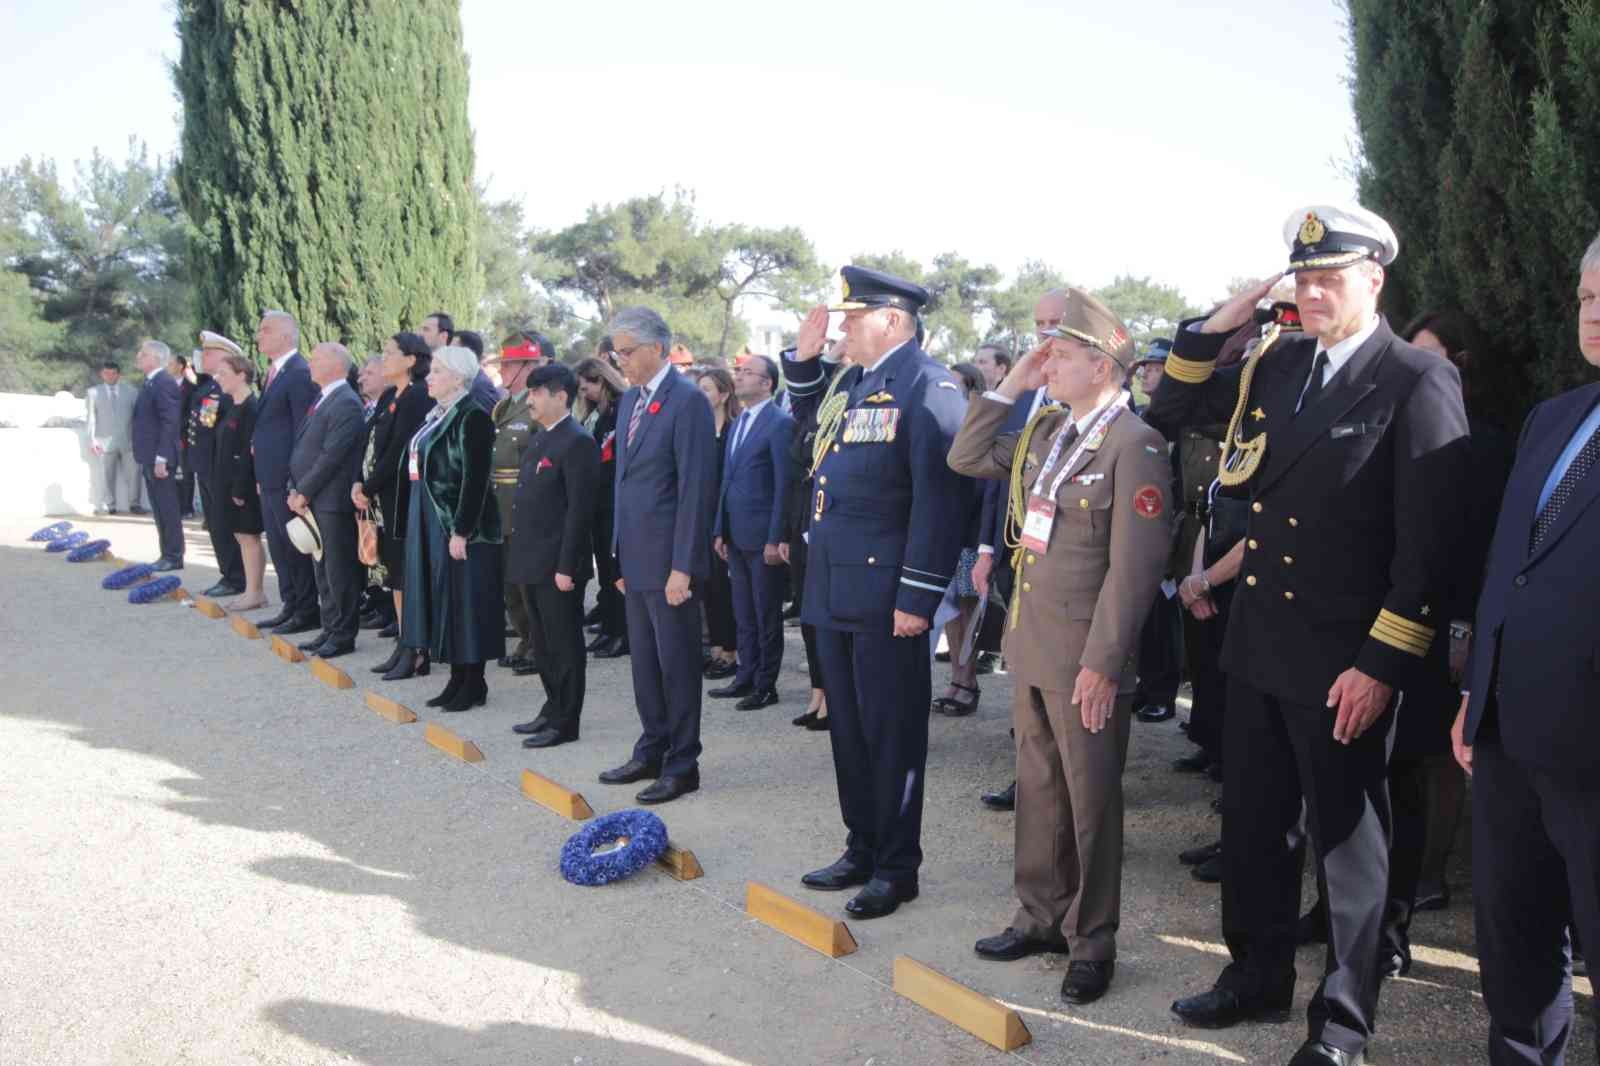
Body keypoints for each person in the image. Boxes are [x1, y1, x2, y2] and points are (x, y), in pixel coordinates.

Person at [1154, 205, 1469, 1066]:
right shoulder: (1281, 362)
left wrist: (1382, 664)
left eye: (1332, 276)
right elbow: (1170, 405)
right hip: (1257, 648)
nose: (1314, 291)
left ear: (1376, 279)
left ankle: (1340, 1027)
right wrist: (1220, 324)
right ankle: (1253, 976)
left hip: (1344, 662)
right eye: (1303, 277)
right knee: (1254, 829)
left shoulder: (1413, 379)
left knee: (1347, 850)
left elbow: (1428, 550)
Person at [950, 290, 1171, 1005]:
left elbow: (1134, 570)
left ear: (1105, 367)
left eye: (1063, 355)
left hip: (1086, 657)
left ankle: (1093, 938)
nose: (1049, 363)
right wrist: (1012, 382)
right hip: (1035, 644)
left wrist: (1105, 664)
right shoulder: (1049, 432)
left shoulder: (1134, 444)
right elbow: (968, 453)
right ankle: (1039, 915)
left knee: (1090, 803)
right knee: (1040, 792)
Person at [1449, 234, 1600, 1066]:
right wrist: (1478, 696)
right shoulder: (1556, 419)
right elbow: (1509, 565)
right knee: (1514, 947)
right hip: (1509, 740)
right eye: (1583, 295)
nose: (1594, 311)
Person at [783, 265, 968, 920]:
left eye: (853, 318)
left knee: (891, 733)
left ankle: (897, 866)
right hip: (835, 585)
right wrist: (802, 367)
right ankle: (861, 844)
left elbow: (939, 504)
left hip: (888, 596)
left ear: (892, 320)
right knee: (850, 731)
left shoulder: (928, 385)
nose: (843, 329)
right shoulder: (856, 382)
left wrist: (918, 599)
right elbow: (809, 438)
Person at [598, 306, 717, 805]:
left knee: (677, 664)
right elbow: (624, 483)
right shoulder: (631, 402)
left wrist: (683, 567)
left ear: (657, 348)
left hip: (671, 563)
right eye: (615, 352)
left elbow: (695, 489)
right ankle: (652, 746)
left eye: (627, 351)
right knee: (645, 664)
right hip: (638, 559)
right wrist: (619, 557)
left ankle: (682, 761)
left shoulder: (686, 401)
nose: (620, 360)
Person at [976, 287, 1072, 812]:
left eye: (1057, 321)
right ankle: (1028, 775)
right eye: (1040, 323)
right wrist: (989, 548)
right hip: (1019, 554)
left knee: (1064, 685)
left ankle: (1068, 783)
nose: (1047, 332)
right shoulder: (1029, 393)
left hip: (1071, 566)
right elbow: (994, 476)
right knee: (1024, 676)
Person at [401, 345, 505, 711]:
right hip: (430, 518)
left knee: (466, 602)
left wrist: (462, 530)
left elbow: (475, 481)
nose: (428, 377)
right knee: (445, 600)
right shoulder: (437, 415)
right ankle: (456, 677)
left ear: (458, 378)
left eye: (437, 372)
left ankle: (473, 681)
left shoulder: (472, 417)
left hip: (461, 525)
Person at [506, 363, 599, 749]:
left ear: (560, 395)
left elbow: (579, 511)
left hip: (557, 564)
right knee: (541, 643)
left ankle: (566, 720)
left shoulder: (576, 442)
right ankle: (551, 707)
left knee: (563, 644)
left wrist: (566, 567)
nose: (530, 400)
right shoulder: (541, 437)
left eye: (536, 393)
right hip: (531, 559)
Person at [711, 354, 794, 710]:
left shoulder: (779, 423)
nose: (740, 378)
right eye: (739, 372)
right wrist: (719, 529)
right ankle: (745, 675)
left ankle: (765, 684)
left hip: (763, 538)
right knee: (742, 612)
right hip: (735, 533)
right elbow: (726, 480)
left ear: (767, 384)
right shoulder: (738, 421)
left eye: (748, 373)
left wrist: (776, 538)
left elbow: (783, 486)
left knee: (765, 614)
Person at [360, 333, 437, 681]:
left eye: (391, 353)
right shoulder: (391, 395)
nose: (383, 359)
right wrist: (358, 483)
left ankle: (417, 648)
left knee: (406, 573)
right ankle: (404, 643)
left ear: (411, 359)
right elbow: (373, 442)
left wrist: (370, 484)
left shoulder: (417, 397)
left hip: (403, 496)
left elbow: (398, 452)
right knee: (393, 572)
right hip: (382, 497)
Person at [286, 342, 367, 659]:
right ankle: (331, 627)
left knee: (338, 569)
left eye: (317, 358)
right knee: (322, 568)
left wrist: (304, 490)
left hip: (331, 499)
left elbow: (332, 455)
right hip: (313, 497)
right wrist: (296, 487)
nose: (310, 363)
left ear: (336, 364)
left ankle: (344, 634)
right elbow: (305, 448)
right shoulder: (324, 398)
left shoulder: (345, 401)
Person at [252, 310, 322, 635]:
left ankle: (306, 610)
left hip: (286, 479)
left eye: (265, 331)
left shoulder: (298, 372)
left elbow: (301, 431)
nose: (259, 336)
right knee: (279, 547)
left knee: (295, 547)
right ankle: (290, 604)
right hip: (268, 478)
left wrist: (296, 481)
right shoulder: (276, 372)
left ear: (285, 336)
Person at [489, 332, 553, 675]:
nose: (504, 370)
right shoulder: (504, 406)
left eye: (511, 364)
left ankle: (538, 645)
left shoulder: (536, 406)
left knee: (528, 584)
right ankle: (526, 638)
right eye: (503, 363)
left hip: (523, 505)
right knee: (510, 583)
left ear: (529, 366)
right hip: (500, 505)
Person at [1127, 338, 1182, 724]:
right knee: (1141, 615)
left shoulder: (1185, 415)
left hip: (1175, 524)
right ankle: (1146, 685)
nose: (1146, 371)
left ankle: (1163, 691)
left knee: (1166, 617)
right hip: (1139, 522)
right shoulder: (1142, 414)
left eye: (1156, 366)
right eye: (1145, 366)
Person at [931, 362, 990, 718]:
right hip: (948, 529)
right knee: (951, 612)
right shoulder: (945, 422)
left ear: (972, 390)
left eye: (956, 385)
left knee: (967, 611)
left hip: (971, 531)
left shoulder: (978, 425)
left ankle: (968, 683)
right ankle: (957, 677)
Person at [574, 354, 629, 658]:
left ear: (601, 381)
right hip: (597, 501)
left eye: (586, 388)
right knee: (605, 573)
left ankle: (623, 631)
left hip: (614, 501)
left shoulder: (621, 409)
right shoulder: (596, 414)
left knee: (616, 570)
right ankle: (609, 626)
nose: (584, 395)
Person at [189, 334, 248, 597]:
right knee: (214, 523)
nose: (204, 357)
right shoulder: (207, 387)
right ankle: (228, 573)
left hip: (217, 467)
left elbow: (219, 431)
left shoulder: (220, 390)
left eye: (210, 353)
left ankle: (235, 577)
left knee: (223, 524)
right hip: (205, 464)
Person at [210, 351, 268, 610]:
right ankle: (250, 590)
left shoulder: (251, 408)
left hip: (241, 484)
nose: (217, 378)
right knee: (241, 536)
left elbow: (248, 451)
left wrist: (240, 487)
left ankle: (255, 592)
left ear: (241, 375)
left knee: (249, 536)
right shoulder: (232, 405)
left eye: (223, 374)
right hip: (227, 482)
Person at [696, 365, 742, 683]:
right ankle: (715, 647)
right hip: (700, 518)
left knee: (725, 589)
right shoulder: (698, 431)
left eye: (707, 388)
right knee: (708, 587)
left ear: (724, 394)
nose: (702, 394)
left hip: (724, 521)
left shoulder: (734, 430)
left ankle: (731, 651)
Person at [131, 340, 185, 571]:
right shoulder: (151, 382)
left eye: (143, 354)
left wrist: (162, 457)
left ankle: (174, 555)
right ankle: (166, 553)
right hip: (148, 456)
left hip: (159, 458)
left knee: (167, 508)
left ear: (155, 358)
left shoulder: (163, 382)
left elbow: (170, 421)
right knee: (159, 508)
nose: (138, 356)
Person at [86, 361, 139, 515]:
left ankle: (134, 504)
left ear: (119, 374)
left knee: (134, 473)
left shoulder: (131, 392)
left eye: (113, 373)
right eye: (106, 373)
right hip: (104, 440)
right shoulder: (93, 393)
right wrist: (92, 439)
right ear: (102, 374)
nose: (110, 376)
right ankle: (110, 505)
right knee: (106, 474)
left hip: (128, 440)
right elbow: (91, 418)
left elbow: (138, 417)